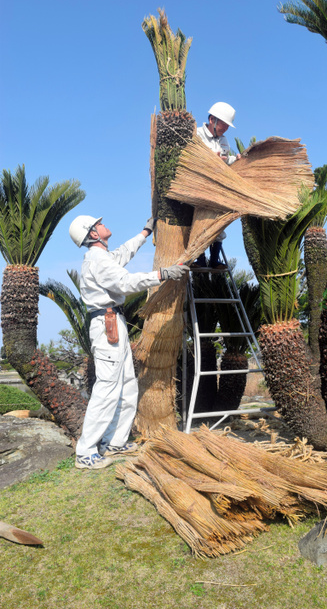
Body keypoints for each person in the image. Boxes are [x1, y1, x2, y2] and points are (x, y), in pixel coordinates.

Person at [69, 215, 189, 470]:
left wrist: (145, 232)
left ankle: (114, 441)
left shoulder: (103, 257)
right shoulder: (97, 260)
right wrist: (162, 274)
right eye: (98, 224)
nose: (103, 224)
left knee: (126, 385)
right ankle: (86, 451)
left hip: (114, 322)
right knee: (107, 389)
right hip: (106, 325)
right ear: (92, 234)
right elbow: (125, 281)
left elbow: (123, 253)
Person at [194, 102, 241, 270]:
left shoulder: (224, 140)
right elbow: (191, 157)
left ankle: (214, 260)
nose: (226, 129)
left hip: (217, 187)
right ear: (212, 119)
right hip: (199, 185)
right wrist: (209, 158)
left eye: (228, 126)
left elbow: (226, 160)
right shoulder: (197, 135)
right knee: (200, 222)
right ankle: (199, 258)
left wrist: (236, 159)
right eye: (223, 125)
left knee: (218, 222)